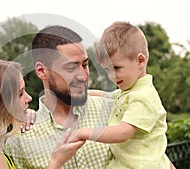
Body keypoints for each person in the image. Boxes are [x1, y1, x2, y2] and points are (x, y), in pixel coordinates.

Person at [4, 25, 113, 168]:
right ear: (42, 71)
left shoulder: (113, 110)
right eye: (70, 68)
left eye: (85, 65)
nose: (83, 76)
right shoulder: (20, 141)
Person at [69, 21, 174, 169]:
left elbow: (123, 132)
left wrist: (83, 132)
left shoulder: (143, 97)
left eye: (116, 68)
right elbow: (106, 95)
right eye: (107, 70)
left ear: (140, 60)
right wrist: (78, 94)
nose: (112, 76)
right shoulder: (129, 92)